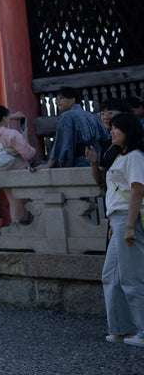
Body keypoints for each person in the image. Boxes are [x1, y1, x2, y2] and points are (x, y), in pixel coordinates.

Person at [101, 113, 144, 347]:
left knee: (132, 276)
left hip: (129, 219)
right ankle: (121, 328)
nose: (111, 131)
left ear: (128, 130)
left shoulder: (135, 157)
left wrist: (128, 225)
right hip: (117, 219)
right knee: (111, 276)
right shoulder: (120, 156)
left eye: (115, 128)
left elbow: (138, 190)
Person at [0, 104, 37, 224]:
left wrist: (10, 116)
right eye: (8, 117)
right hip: (18, 169)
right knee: (22, 202)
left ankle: (16, 224)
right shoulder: (12, 134)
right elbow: (27, 153)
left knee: (13, 201)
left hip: (2, 170)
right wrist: (24, 138)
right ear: (4, 118)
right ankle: (21, 225)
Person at [40, 87, 110, 169]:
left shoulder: (66, 116)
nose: (57, 102)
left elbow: (63, 144)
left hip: (80, 161)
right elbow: (106, 138)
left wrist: (50, 163)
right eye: (57, 99)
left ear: (73, 100)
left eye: (61, 98)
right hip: (97, 160)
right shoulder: (91, 116)